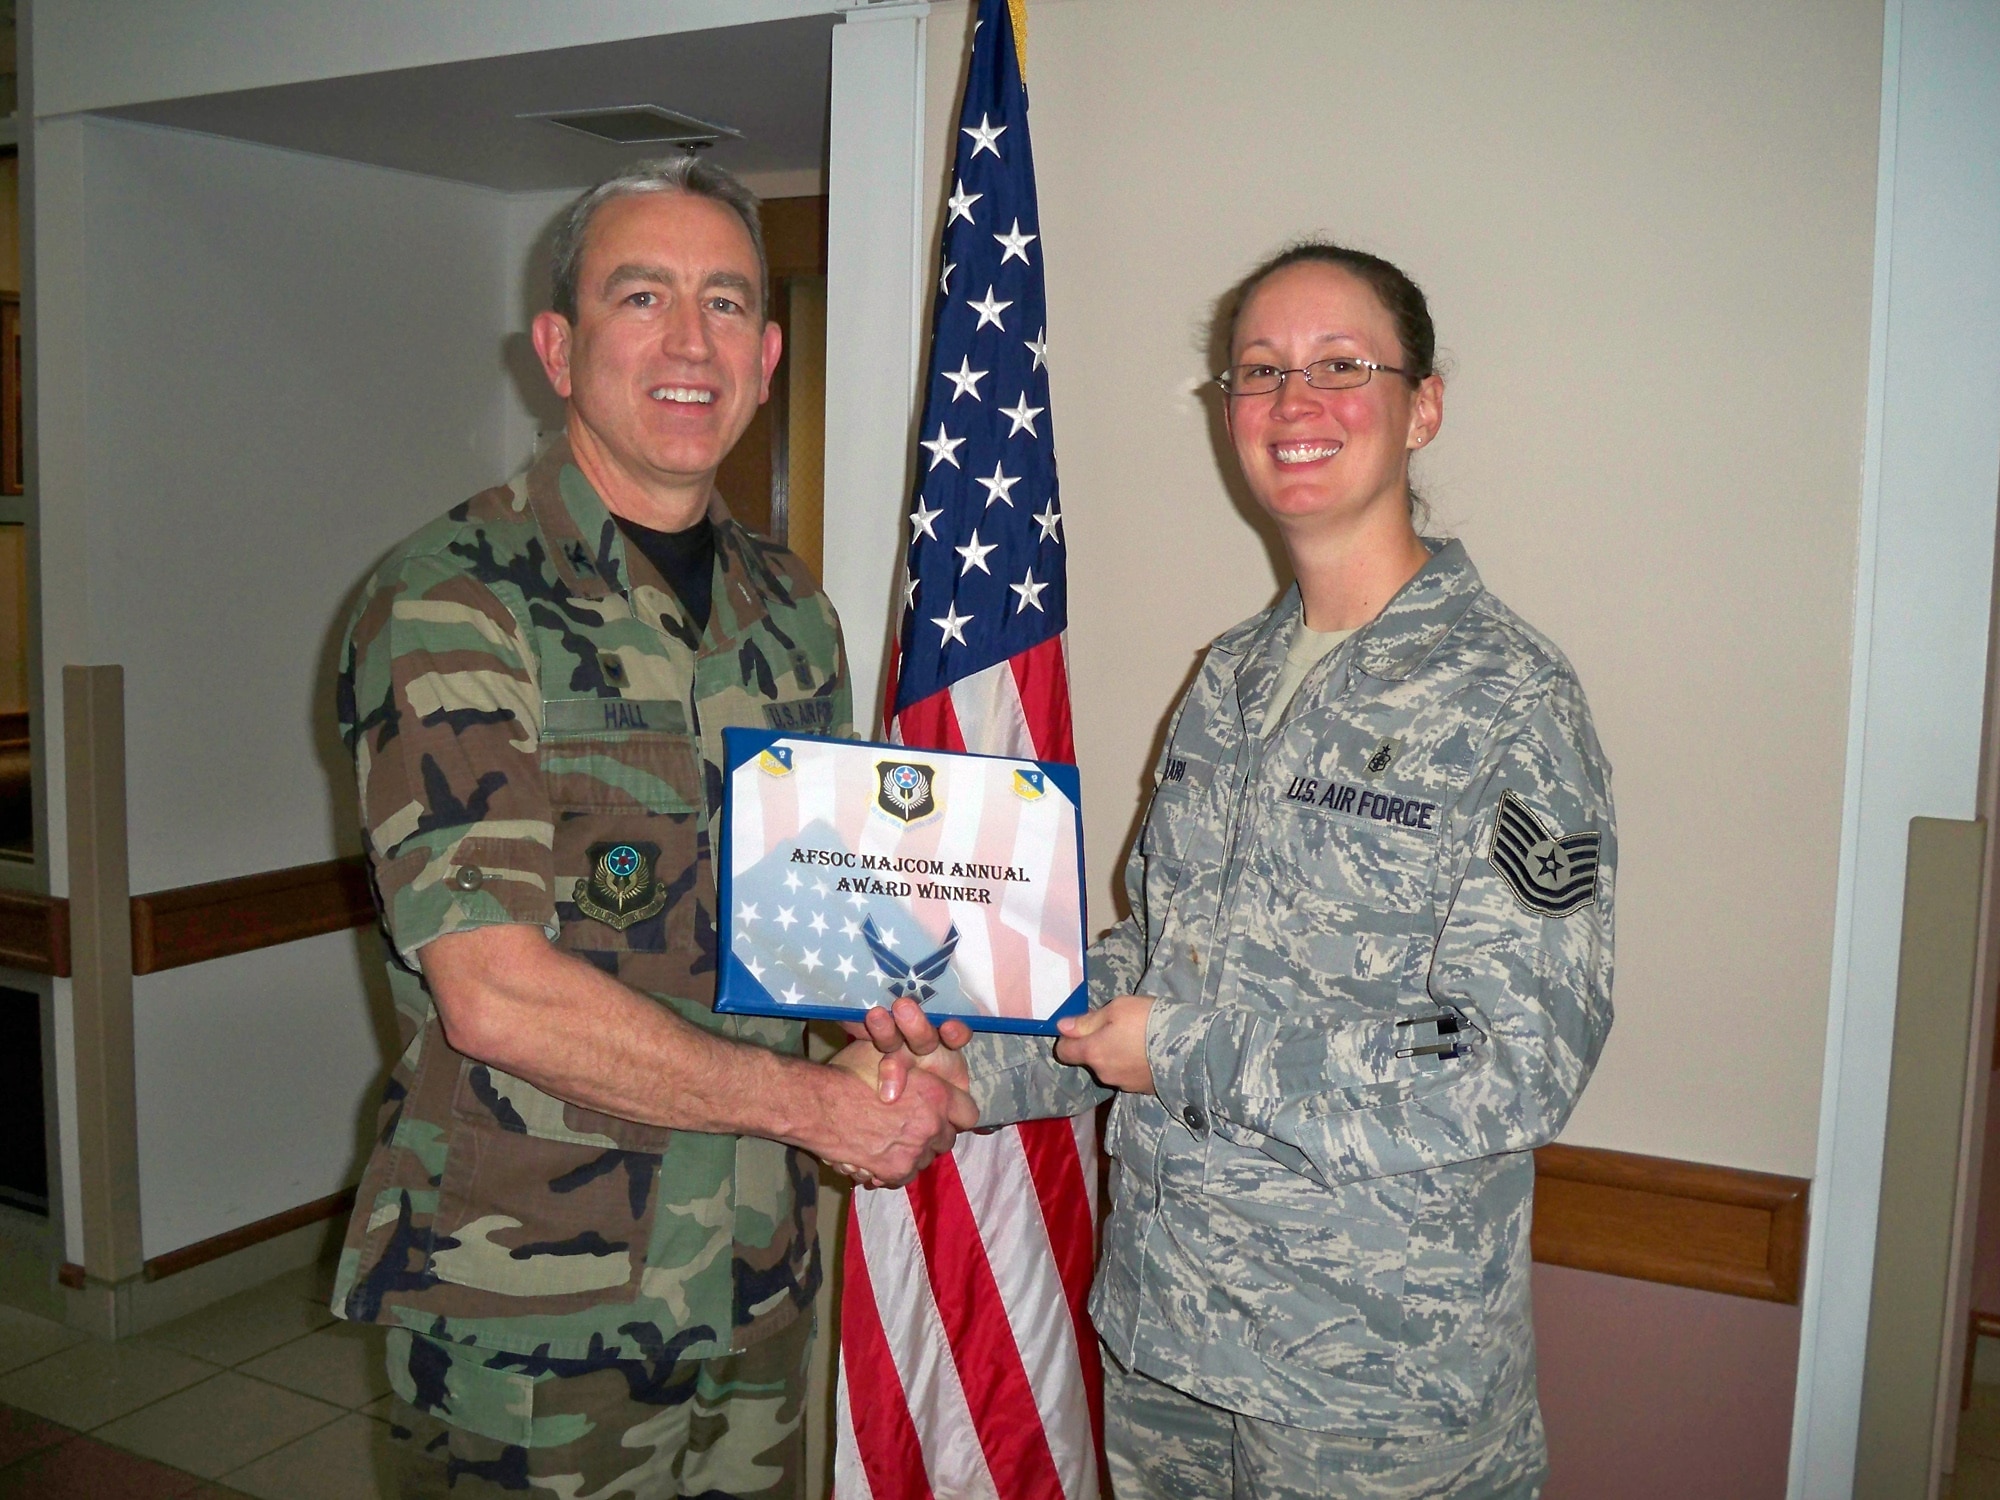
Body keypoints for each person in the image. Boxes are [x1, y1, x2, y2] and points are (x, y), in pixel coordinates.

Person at [853, 242, 1616, 1498]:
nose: (1292, 404)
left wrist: (1189, 1050)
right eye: (1258, 373)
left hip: (1372, 1389)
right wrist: (965, 1068)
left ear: (1421, 406)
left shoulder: (1508, 697)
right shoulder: (1229, 681)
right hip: (1167, 1345)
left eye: (1339, 368)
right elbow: (1144, 965)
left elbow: (1516, 1059)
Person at [331, 156, 977, 1500]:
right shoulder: (456, 601)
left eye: (728, 304)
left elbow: (832, 921)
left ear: (767, 352)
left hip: (755, 1275)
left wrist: (911, 1043)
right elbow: (496, 995)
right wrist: (816, 1109)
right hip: (533, 1310)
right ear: (559, 351)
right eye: (645, 297)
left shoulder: (793, 612)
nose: (692, 343)